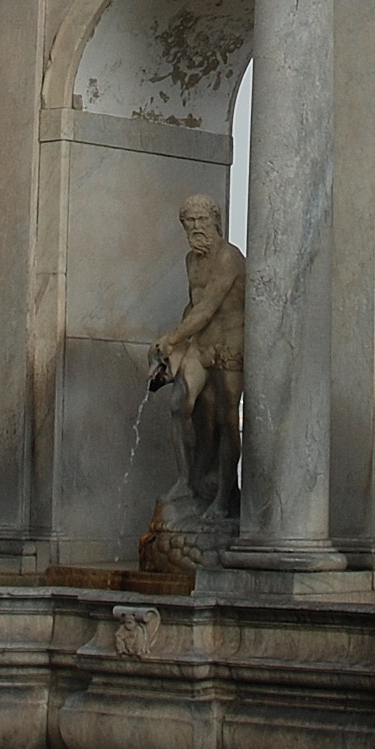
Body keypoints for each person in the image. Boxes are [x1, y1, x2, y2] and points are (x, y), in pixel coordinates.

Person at [150, 195, 247, 521]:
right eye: (189, 222)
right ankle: (186, 480)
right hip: (202, 343)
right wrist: (173, 349)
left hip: (229, 344)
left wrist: (174, 337)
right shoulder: (191, 259)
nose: (196, 227)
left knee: (226, 419)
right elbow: (194, 304)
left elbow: (209, 307)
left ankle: (223, 499)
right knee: (179, 405)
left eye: (201, 220)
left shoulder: (229, 257)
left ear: (215, 221)